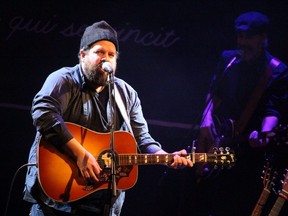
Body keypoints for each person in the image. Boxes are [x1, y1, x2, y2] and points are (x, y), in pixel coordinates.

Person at [23, 20, 193, 216]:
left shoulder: (126, 94)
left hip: (102, 203)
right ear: (82, 55)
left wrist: (165, 157)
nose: (106, 59)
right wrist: (80, 154)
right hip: (55, 202)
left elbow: (142, 139)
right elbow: (43, 113)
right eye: (99, 52)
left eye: (111, 55)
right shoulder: (64, 80)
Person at [196, 11, 288, 215]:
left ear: (263, 38)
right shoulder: (228, 59)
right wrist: (207, 118)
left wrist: (265, 133)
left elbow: (273, 110)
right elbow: (214, 93)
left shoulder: (277, 70)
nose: (243, 42)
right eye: (240, 36)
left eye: (249, 37)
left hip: (248, 155)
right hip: (218, 142)